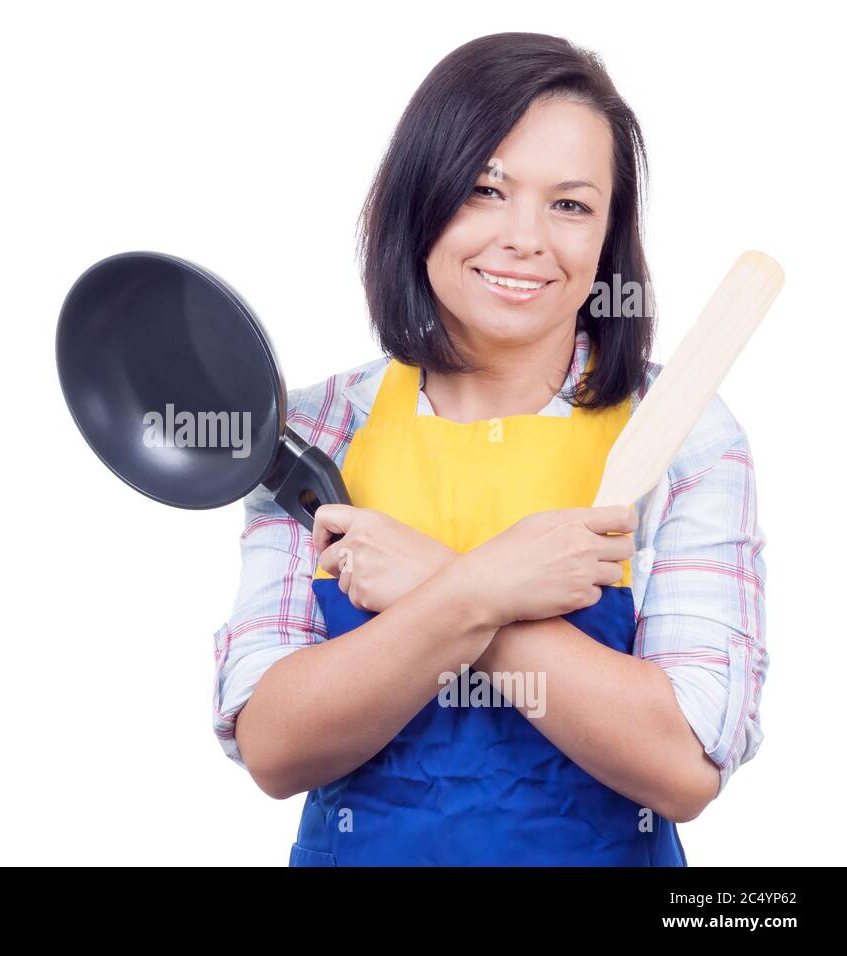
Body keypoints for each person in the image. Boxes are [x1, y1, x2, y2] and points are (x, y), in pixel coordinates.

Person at [211, 32, 767, 866]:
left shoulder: (680, 433)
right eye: (484, 190)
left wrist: (435, 585)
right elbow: (278, 746)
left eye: (570, 205)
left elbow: (682, 764)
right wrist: (484, 589)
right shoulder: (313, 431)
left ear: (609, 240)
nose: (525, 238)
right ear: (418, 201)